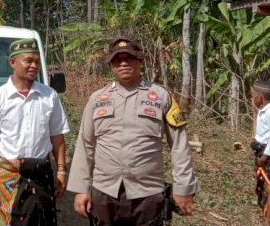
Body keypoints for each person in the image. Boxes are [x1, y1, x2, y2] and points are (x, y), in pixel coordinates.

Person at [67, 36, 199, 226]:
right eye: (117, 59)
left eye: (129, 58)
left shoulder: (161, 96)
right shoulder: (97, 99)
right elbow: (85, 144)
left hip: (147, 193)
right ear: (111, 65)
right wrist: (81, 189)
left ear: (140, 60)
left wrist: (183, 187)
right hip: (104, 192)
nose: (123, 63)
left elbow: (179, 145)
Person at [0, 38, 70, 226]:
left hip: (40, 175)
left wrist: (61, 171)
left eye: (36, 61)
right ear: (12, 62)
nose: (34, 65)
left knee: (42, 221)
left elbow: (57, 137)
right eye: (28, 60)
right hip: (8, 176)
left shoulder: (49, 96)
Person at [250, 80, 270, 226]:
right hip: (261, 153)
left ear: (260, 97)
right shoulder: (264, 111)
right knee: (261, 187)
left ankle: (269, 221)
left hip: (268, 157)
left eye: (253, 95)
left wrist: (264, 157)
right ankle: (265, 216)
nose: (252, 98)